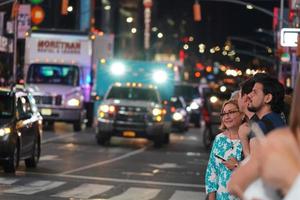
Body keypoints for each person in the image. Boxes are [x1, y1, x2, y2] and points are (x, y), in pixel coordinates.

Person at [205, 99, 244, 200]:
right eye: (223, 113)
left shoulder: (250, 139)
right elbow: (211, 170)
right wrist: (211, 197)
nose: (226, 116)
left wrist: (237, 166)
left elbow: (258, 170)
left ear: (242, 114)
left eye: (231, 112)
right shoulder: (219, 139)